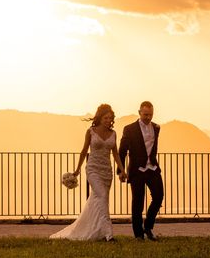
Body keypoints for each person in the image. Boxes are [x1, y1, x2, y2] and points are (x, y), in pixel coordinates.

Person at [50, 104, 127, 241]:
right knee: (102, 196)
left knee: (100, 201)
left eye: (110, 118)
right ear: (100, 118)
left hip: (107, 172)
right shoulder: (91, 131)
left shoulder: (113, 134)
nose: (108, 120)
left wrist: (122, 169)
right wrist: (77, 169)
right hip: (93, 169)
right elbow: (84, 150)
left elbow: (115, 154)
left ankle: (97, 232)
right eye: (105, 118)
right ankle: (109, 235)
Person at [118, 101, 164, 241]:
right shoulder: (129, 129)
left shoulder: (156, 128)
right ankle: (138, 234)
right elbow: (122, 150)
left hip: (153, 168)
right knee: (137, 202)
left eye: (150, 115)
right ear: (139, 112)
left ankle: (148, 226)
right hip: (137, 170)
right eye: (145, 115)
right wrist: (120, 171)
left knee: (158, 196)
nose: (148, 117)